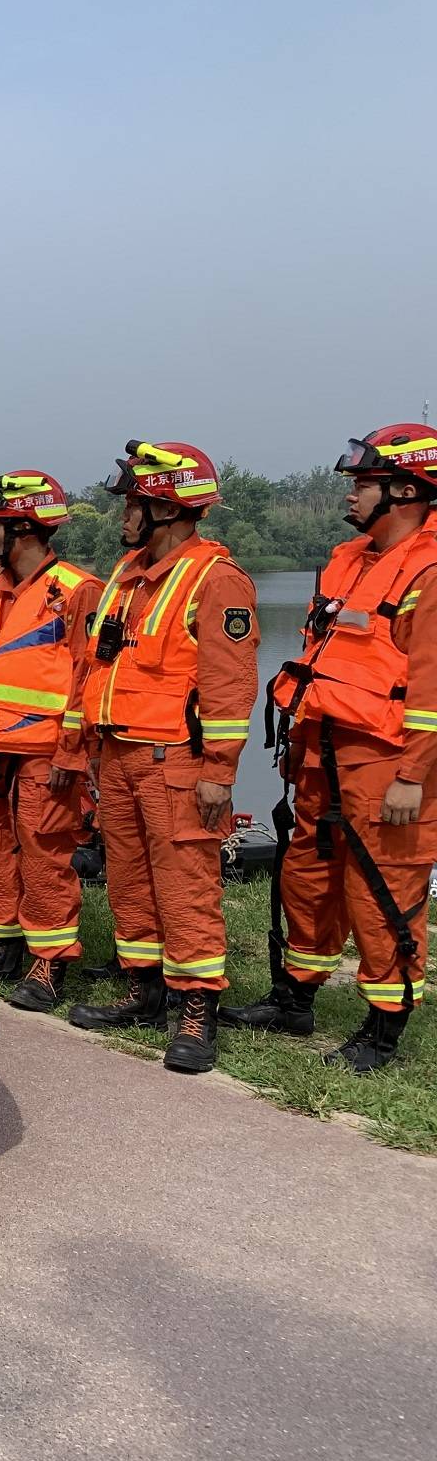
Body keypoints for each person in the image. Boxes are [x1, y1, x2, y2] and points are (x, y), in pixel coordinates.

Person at [242, 424, 437, 1072]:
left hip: (387, 759)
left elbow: (433, 688)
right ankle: (294, 1000)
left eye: (363, 483)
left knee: (383, 891)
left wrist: (414, 774)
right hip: (323, 750)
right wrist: (297, 745)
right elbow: (318, 657)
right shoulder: (346, 560)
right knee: (308, 880)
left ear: (405, 489)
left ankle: (383, 1032)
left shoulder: (430, 570)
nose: (351, 494)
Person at [65, 441, 257, 1073]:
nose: (124, 515)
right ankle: (143, 987)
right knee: (129, 881)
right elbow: (101, 665)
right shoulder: (127, 573)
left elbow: (229, 686)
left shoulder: (215, 578)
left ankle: (196, 1006)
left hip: (174, 760)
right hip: (118, 754)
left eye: (135, 503)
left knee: (185, 886)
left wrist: (219, 773)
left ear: (167, 508)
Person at [0, 473, 102, 1009]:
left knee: (44, 855)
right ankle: (0, 942)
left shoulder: (78, 591)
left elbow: (89, 675)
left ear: (25, 530)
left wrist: (72, 750)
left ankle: (50, 959)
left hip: (43, 753)